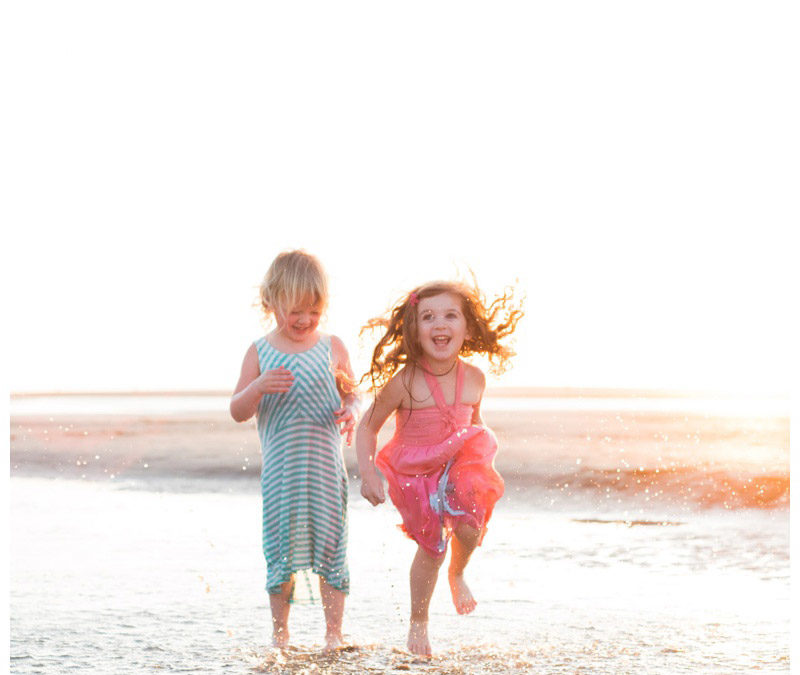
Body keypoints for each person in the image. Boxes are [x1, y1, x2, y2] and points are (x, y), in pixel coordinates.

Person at [355, 279, 523, 656]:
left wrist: (479, 469)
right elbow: (368, 426)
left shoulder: (475, 379)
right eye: (428, 317)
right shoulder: (405, 382)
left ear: (467, 327)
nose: (439, 324)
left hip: (458, 466)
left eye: (451, 315)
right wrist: (368, 473)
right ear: (413, 329)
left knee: (469, 525)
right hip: (417, 472)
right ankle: (419, 623)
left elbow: (474, 427)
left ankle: (458, 572)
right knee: (432, 548)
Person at [230, 250, 358, 651]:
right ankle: (280, 634)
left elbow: (354, 393)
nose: (304, 320)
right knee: (280, 550)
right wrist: (258, 387)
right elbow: (237, 410)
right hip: (282, 479)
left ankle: (333, 633)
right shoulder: (259, 352)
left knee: (332, 549)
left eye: (314, 311)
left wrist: (352, 411)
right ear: (272, 302)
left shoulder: (332, 347)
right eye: (295, 311)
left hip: (324, 472)